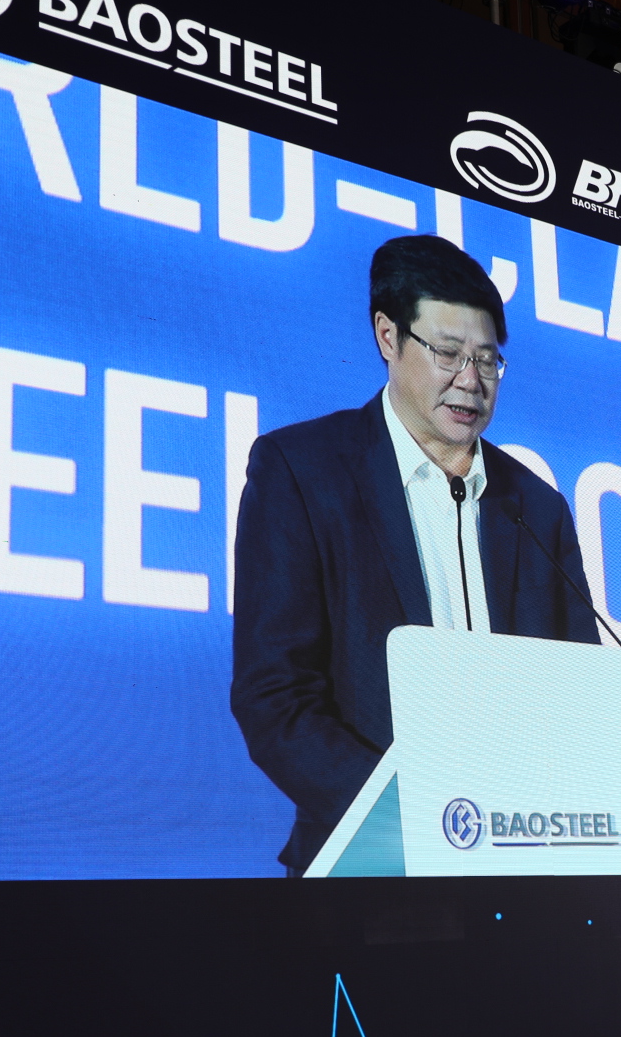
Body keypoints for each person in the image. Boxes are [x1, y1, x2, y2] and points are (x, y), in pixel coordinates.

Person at [231, 235, 600, 874]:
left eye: (487, 360)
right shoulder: (302, 471)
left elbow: (583, 695)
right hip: (371, 865)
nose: (470, 381)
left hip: (526, 866)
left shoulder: (537, 508)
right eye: (448, 354)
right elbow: (275, 697)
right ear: (388, 337)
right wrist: (416, 817)